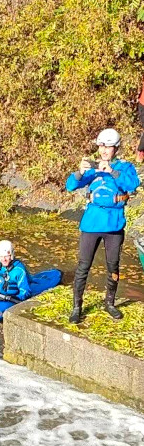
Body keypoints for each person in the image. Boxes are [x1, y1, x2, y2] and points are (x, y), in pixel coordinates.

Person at [65, 128, 140, 323]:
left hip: (114, 224)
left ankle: (110, 303)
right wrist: (80, 172)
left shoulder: (124, 167)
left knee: (113, 265)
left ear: (116, 148)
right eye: (101, 146)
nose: (104, 150)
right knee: (83, 266)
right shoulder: (93, 167)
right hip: (91, 223)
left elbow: (132, 184)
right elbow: (71, 185)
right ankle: (76, 307)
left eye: (108, 146)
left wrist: (112, 172)